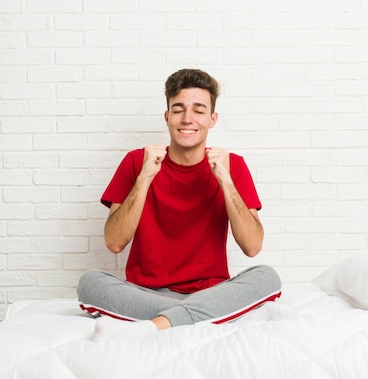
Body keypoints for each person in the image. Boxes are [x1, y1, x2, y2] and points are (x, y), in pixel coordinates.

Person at [77, 68, 281, 341]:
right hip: (144, 293)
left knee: (267, 277)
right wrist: (145, 177)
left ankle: (155, 325)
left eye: (198, 110)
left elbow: (252, 247)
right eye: (178, 109)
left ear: (212, 119)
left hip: (209, 292)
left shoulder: (233, 166)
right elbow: (114, 242)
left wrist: (226, 181)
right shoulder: (137, 162)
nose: (187, 119)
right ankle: (198, 316)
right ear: (167, 116)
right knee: (90, 282)